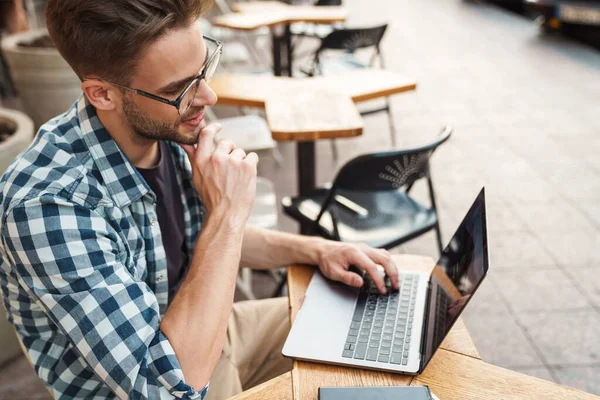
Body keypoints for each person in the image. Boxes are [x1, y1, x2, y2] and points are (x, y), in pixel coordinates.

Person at [0, 1, 400, 399]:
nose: (207, 96)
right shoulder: (47, 206)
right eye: (179, 89)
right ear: (102, 93)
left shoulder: (163, 130)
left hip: (209, 327)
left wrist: (320, 249)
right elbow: (169, 385)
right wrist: (227, 212)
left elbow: (208, 241)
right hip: (163, 373)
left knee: (366, 324)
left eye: (204, 70)